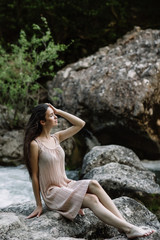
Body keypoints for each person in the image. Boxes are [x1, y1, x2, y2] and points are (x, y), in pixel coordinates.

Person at [24, 103, 154, 239]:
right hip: (52, 193)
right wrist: (39, 204)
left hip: (66, 184)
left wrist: (59, 111)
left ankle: (124, 225)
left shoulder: (56, 137)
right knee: (91, 199)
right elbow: (34, 176)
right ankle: (129, 229)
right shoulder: (35, 144)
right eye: (51, 116)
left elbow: (80, 124)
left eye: (55, 114)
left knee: (94, 184)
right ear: (42, 122)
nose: (56, 117)